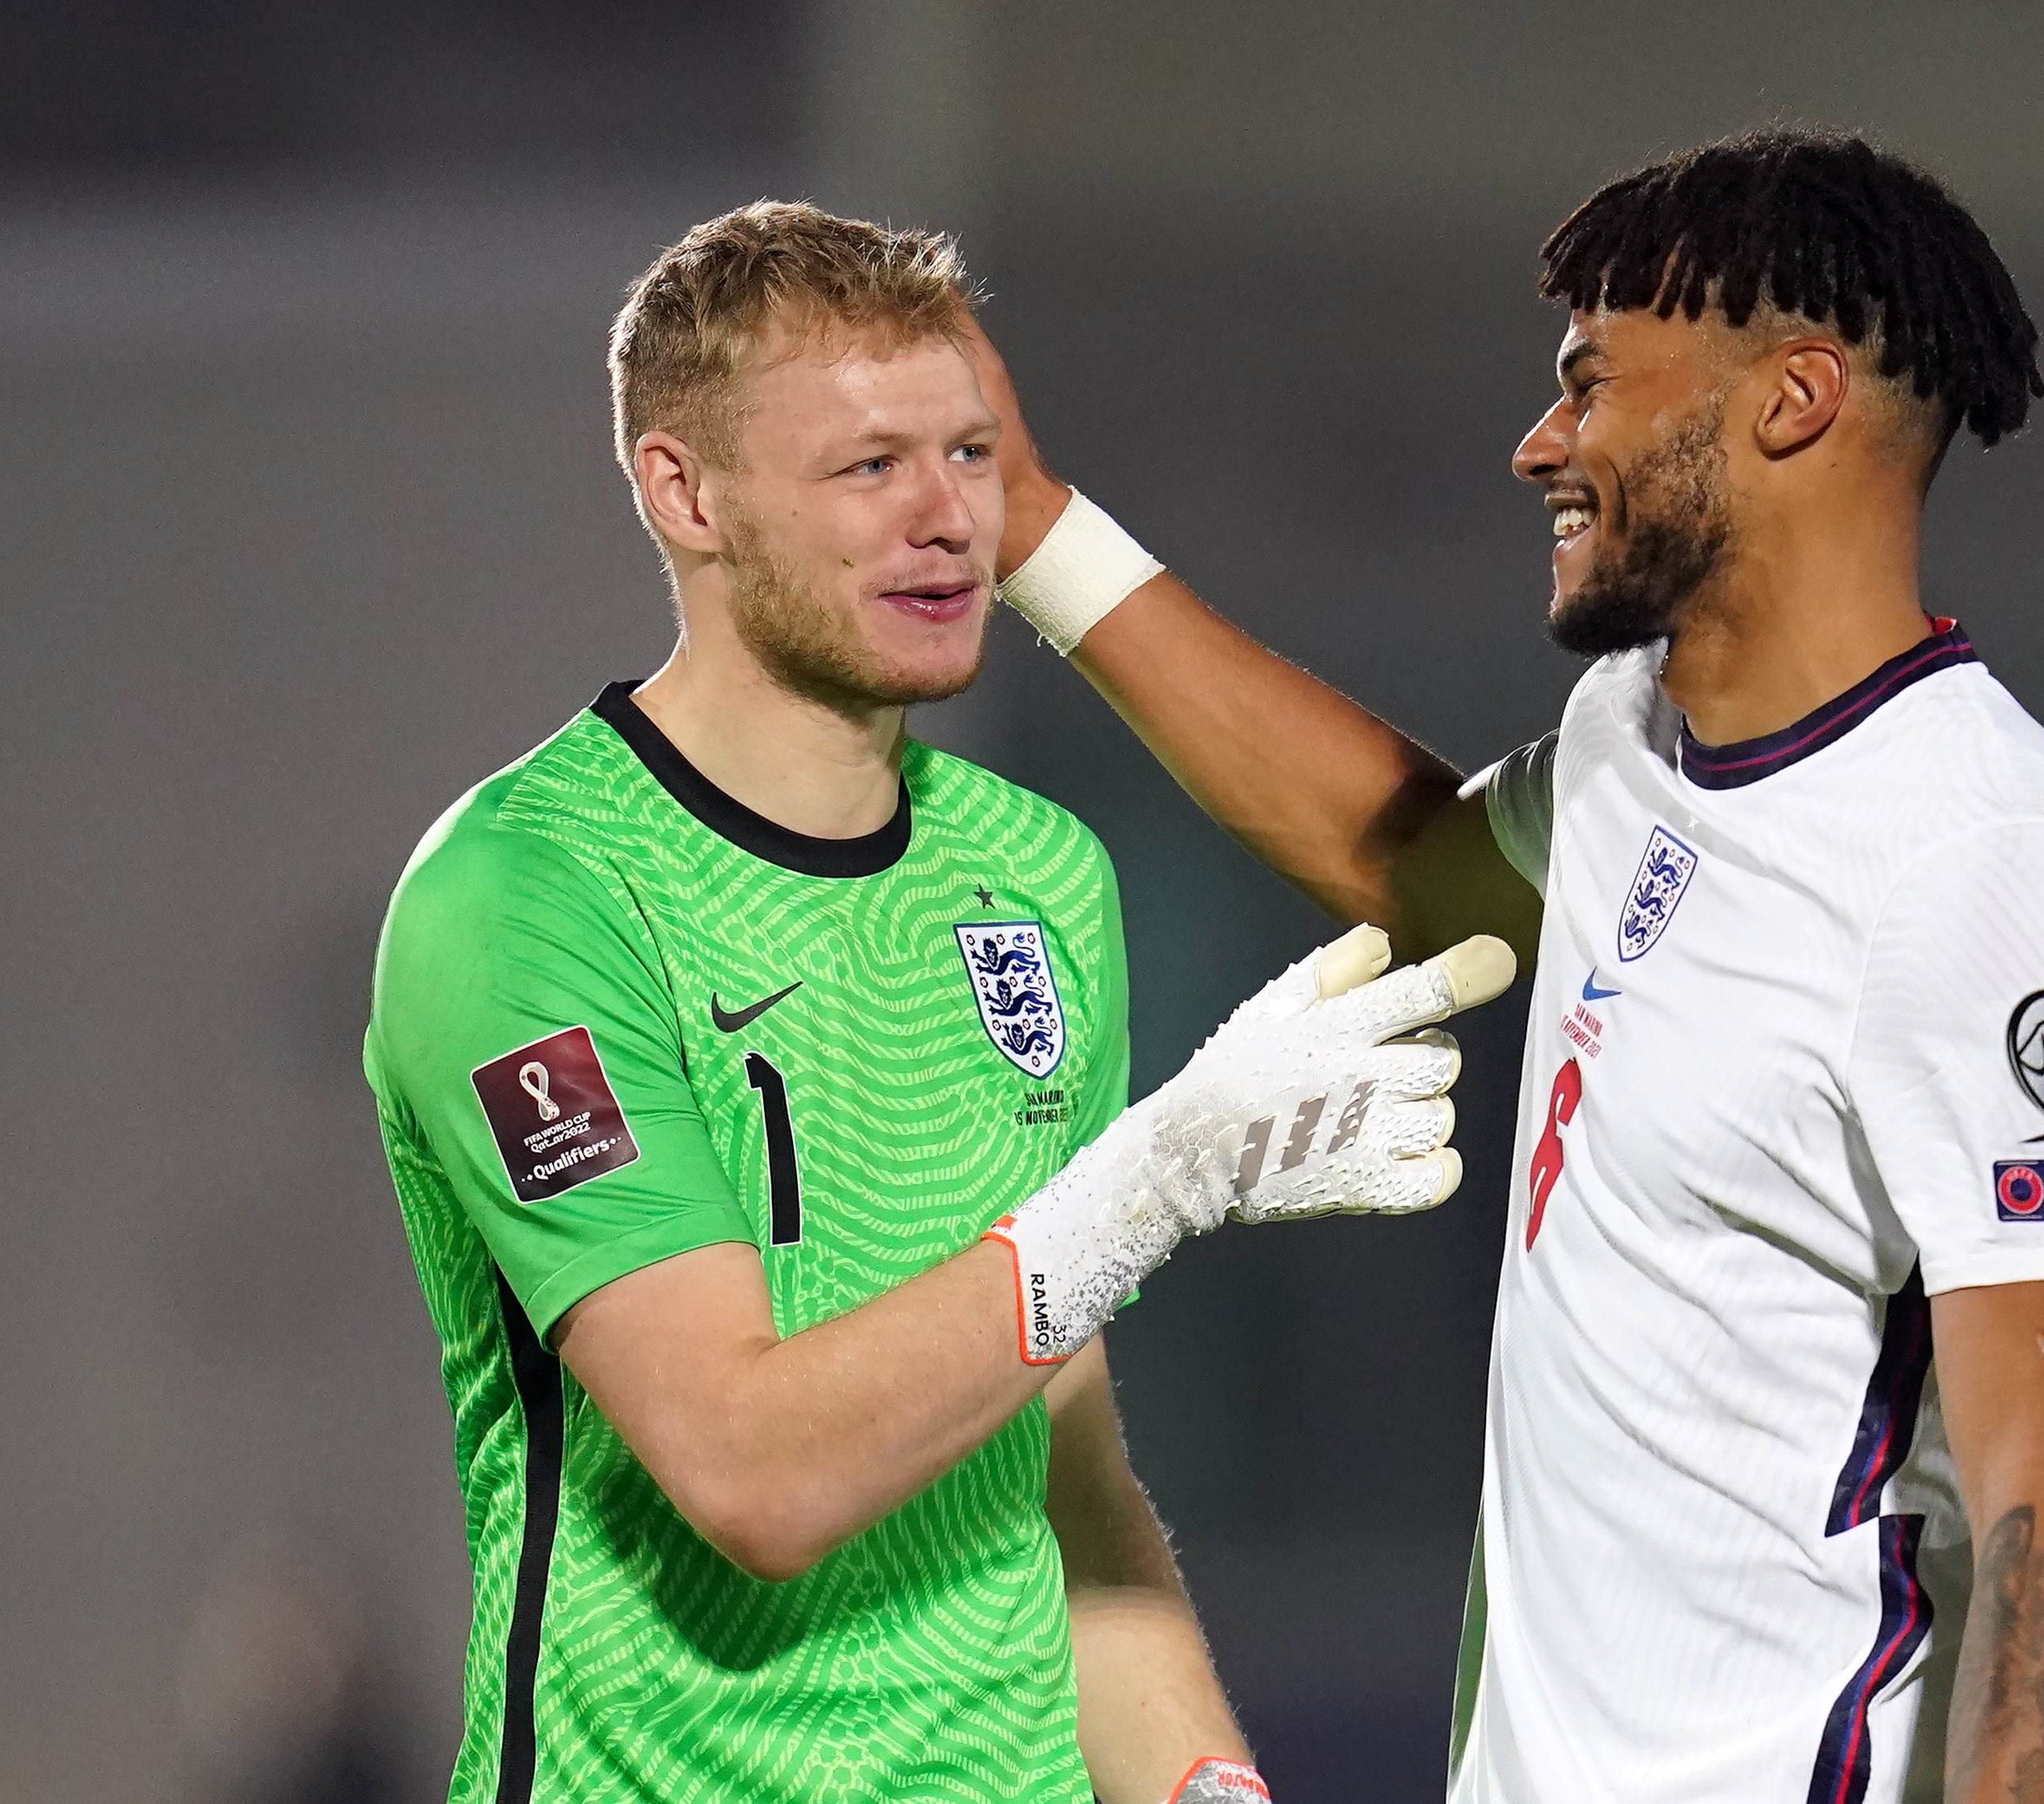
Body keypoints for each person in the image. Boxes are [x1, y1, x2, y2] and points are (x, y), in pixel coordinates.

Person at [975, 130, 2044, 1804]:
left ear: (1791, 399)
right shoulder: (1631, 736)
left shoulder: (1973, 851)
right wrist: (1033, 530)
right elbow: (1405, 864)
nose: (1541, 443)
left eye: (1590, 383)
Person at [363, 203, 1512, 1804]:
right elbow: (748, 1470)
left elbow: (1056, 1467)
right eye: (866, 468)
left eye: (972, 456)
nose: (947, 519)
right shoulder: (525, 896)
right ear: (682, 492)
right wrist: (1154, 1178)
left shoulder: (1036, 876)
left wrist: (1202, 1786)